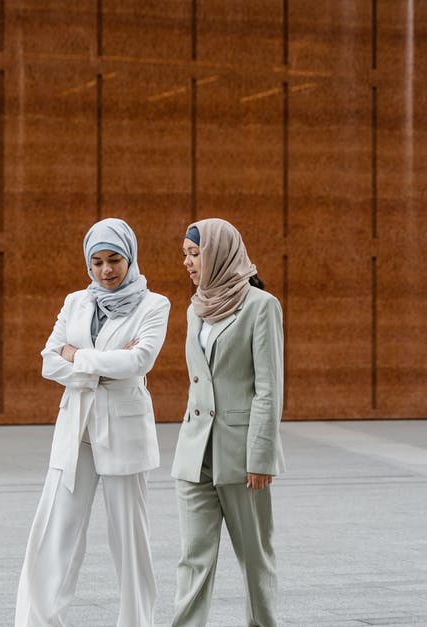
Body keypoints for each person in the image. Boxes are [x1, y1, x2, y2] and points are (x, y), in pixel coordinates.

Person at [15, 217, 171, 627]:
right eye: (97, 262)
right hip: (75, 432)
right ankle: (39, 621)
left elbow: (140, 360)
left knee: (130, 543)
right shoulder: (75, 302)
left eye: (114, 259)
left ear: (130, 256)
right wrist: (99, 367)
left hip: (124, 434)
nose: (106, 270)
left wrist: (76, 356)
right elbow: (48, 360)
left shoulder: (154, 305)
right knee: (54, 533)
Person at [170, 218, 286, 627]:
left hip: (241, 456)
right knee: (193, 558)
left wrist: (262, 456)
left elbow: (269, 388)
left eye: (194, 253)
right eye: (185, 253)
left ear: (218, 253)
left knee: (255, 559)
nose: (186, 261)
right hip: (195, 452)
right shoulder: (195, 307)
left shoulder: (261, 306)